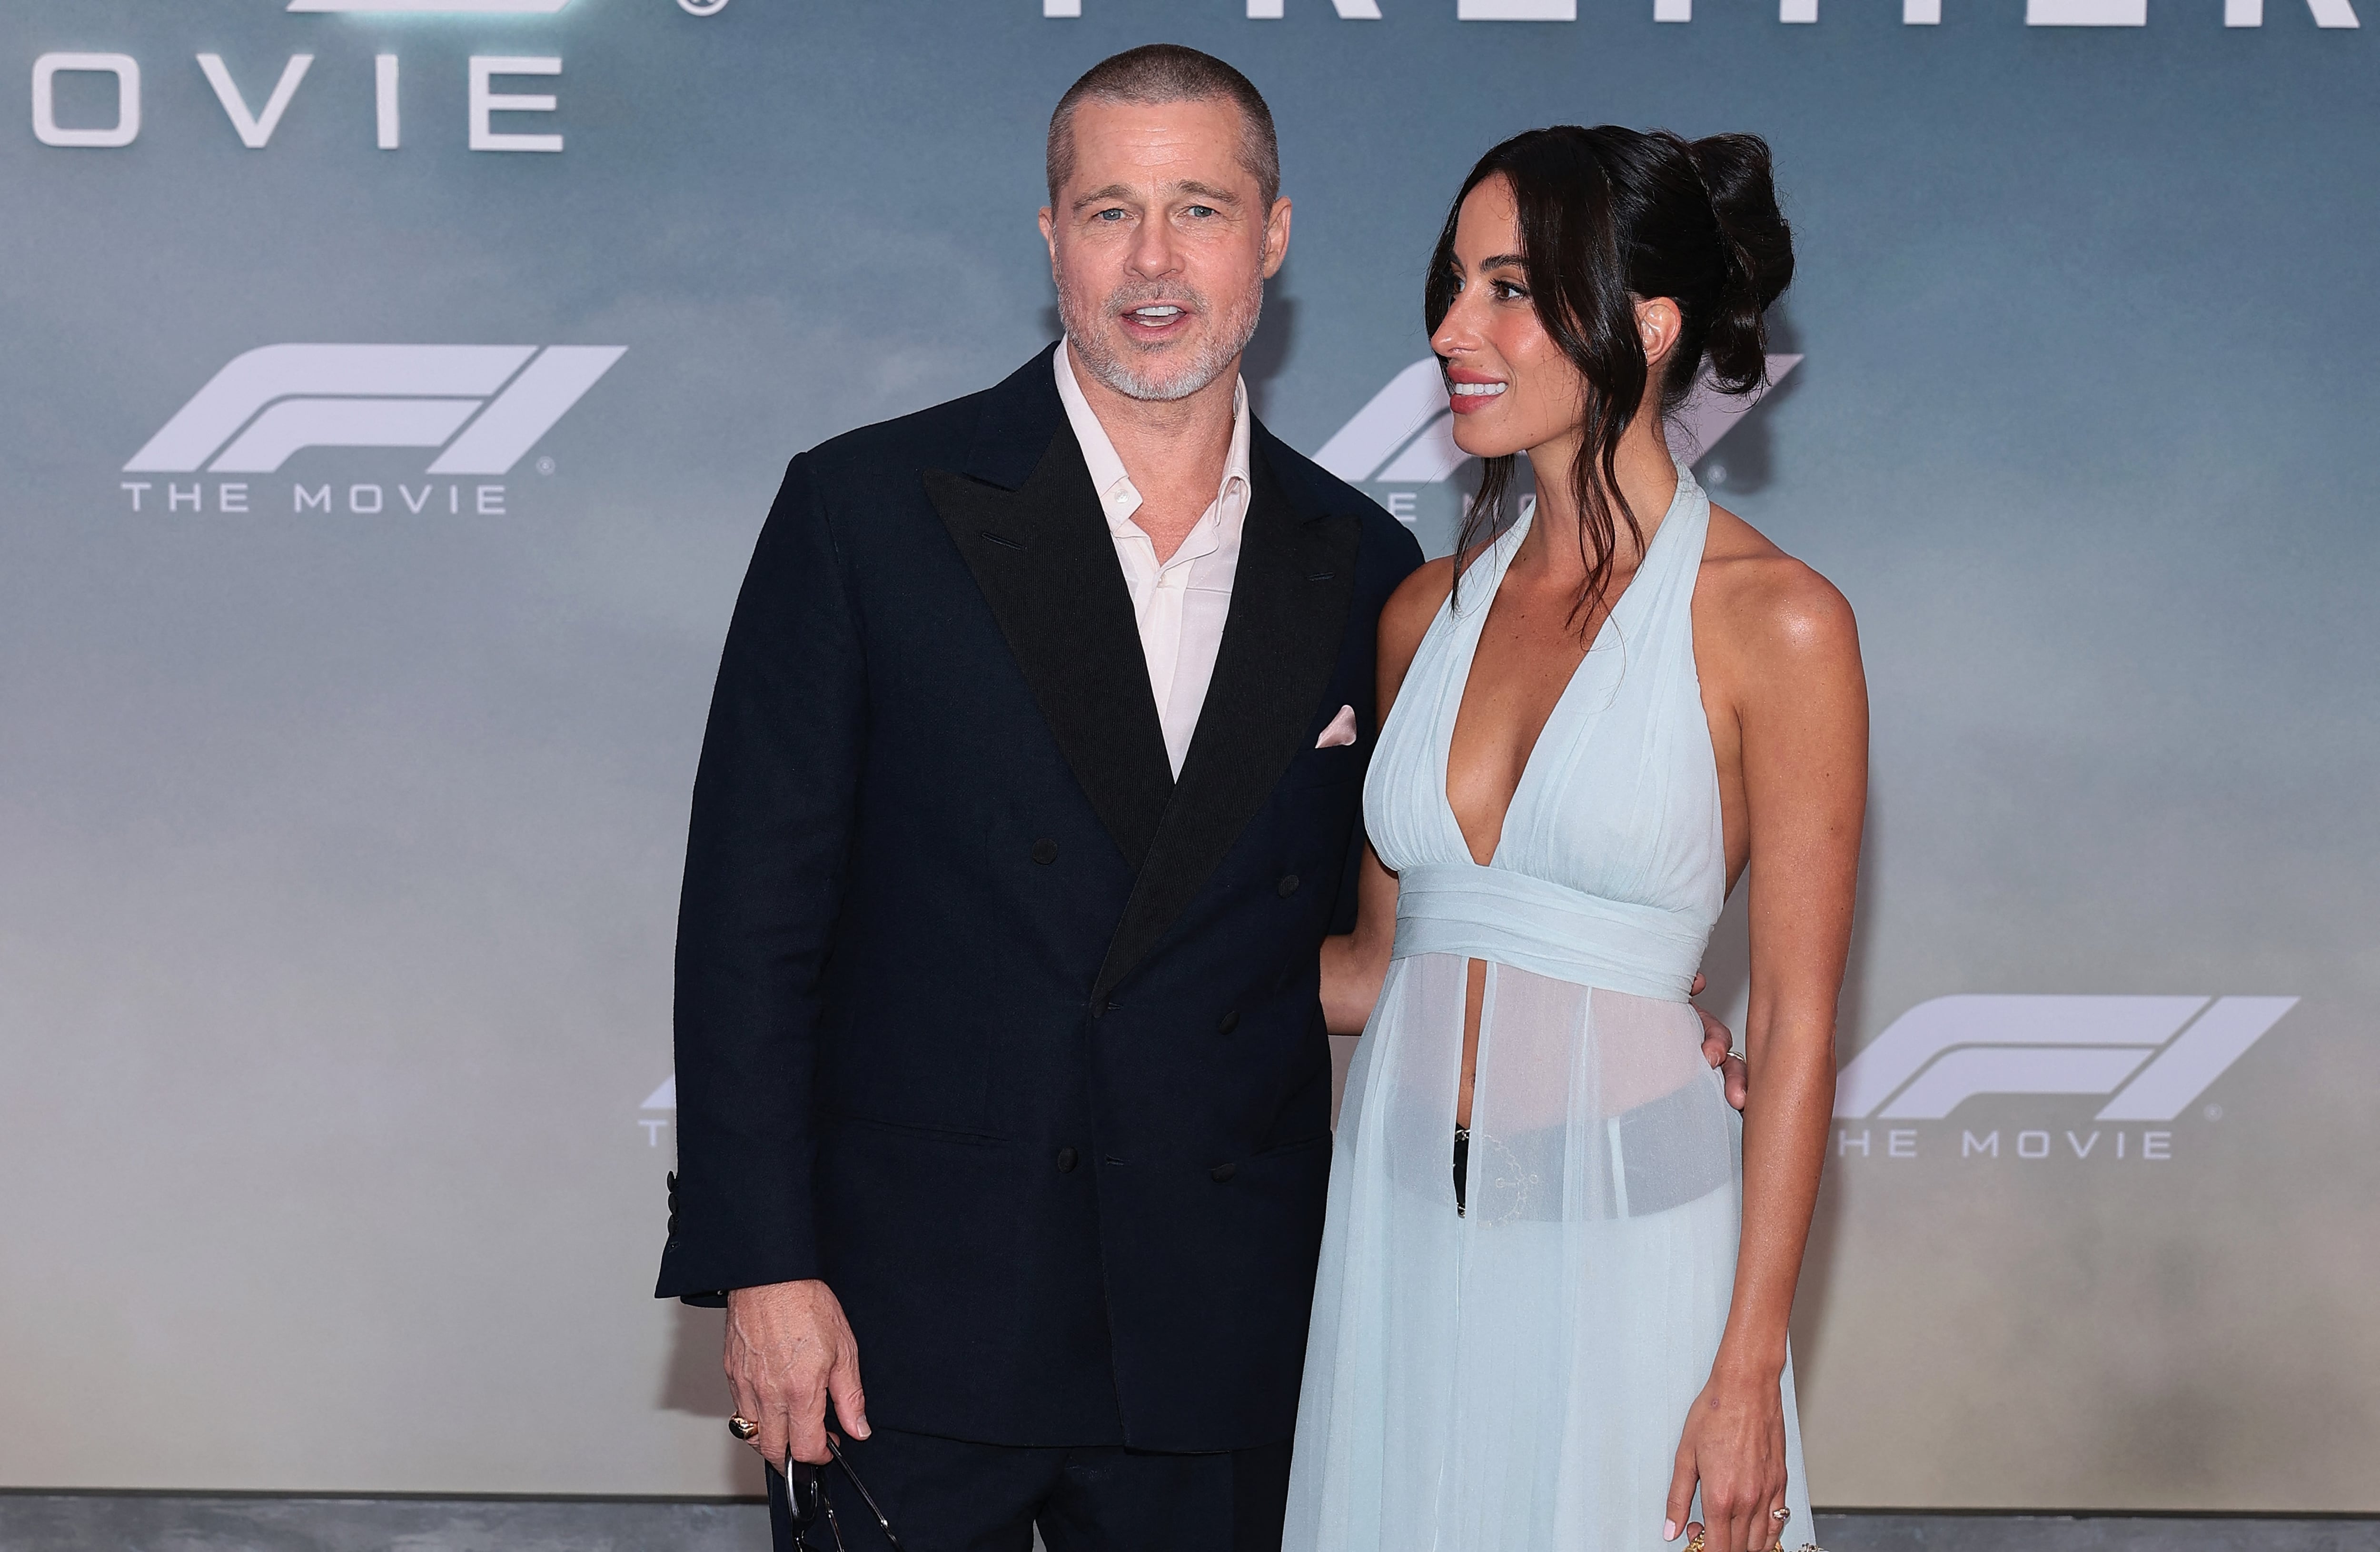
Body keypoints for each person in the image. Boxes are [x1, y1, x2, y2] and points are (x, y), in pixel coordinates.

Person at [660, 47, 1748, 1552]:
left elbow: (1405, 922)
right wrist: (765, 1269)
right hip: (902, 1325)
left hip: (1228, 1331)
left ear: (1275, 237)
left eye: (1200, 210)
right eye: (1111, 212)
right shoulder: (866, 513)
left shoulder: (1370, 569)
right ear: (1050, 240)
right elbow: (745, 928)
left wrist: (1627, 1008)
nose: (1155, 263)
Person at [1288, 127, 1865, 1552]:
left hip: (1640, 1251)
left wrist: (1746, 1366)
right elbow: (1369, 971)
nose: (1447, 331)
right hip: (1399, 1243)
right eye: (1453, 284)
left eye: (1504, 289)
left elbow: (1793, 1022)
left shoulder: (1778, 623)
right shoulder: (1422, 616)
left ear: (1646, 327)